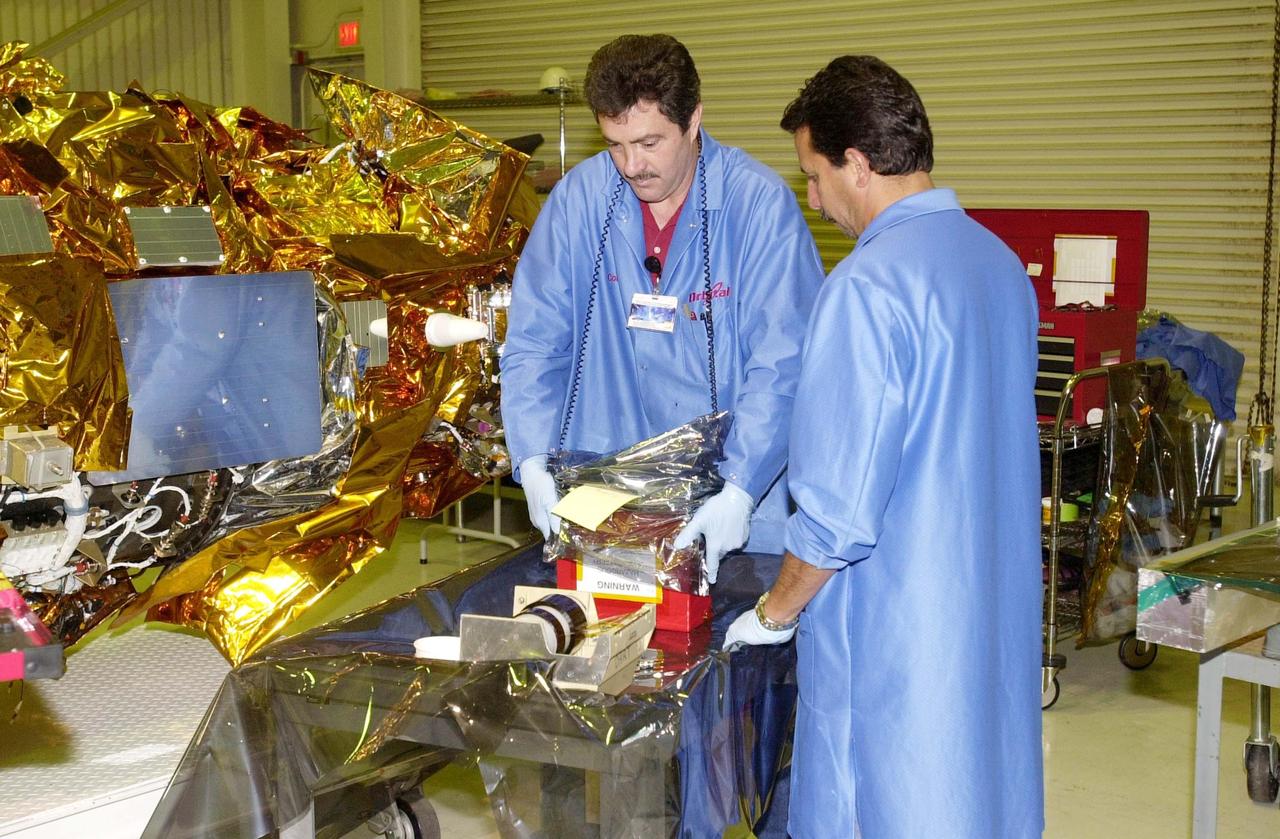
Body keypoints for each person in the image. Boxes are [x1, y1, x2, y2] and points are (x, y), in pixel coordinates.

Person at [725, 56, 1044, 838]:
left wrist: (773, 613)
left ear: (857, 166)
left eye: (813, 175)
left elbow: (836, 513)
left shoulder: (867, 289)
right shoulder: (1001, 267)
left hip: (899, 641)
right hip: (987, 622)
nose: (812, 197)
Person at [501, 34, 823, 583]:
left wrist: (742, 491)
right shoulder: (579, 202)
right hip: (608, 506)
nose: (631, 165)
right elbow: (535, 341)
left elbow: (785, 365)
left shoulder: (757, 208)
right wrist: (531, 458)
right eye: (615, 145)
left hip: (733, 507)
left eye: (650, 143)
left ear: (693, 119)